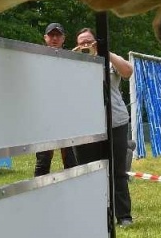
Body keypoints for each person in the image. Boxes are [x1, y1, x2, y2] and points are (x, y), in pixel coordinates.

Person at [74, 26, 134, 226]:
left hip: (114, 122)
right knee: (88, 171)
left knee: (118, 171)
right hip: (85, 126)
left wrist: (105, 51)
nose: (85, 45)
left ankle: (123, 216)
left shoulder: (109, 58)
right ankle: (94, 213)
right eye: (81, 42)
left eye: (89, 41)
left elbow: (128, 71)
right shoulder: (73, 60)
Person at [34, 22, 78, 175]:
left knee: (71, 159)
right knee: (43, 159)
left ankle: (73, 190)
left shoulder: (72, 59)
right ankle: (39, 194)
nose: (54, 38)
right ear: (45, 37)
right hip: (45, 115)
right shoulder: (36, 58)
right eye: (51, 35)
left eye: (57, 35)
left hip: (67, 115)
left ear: (63, 38)